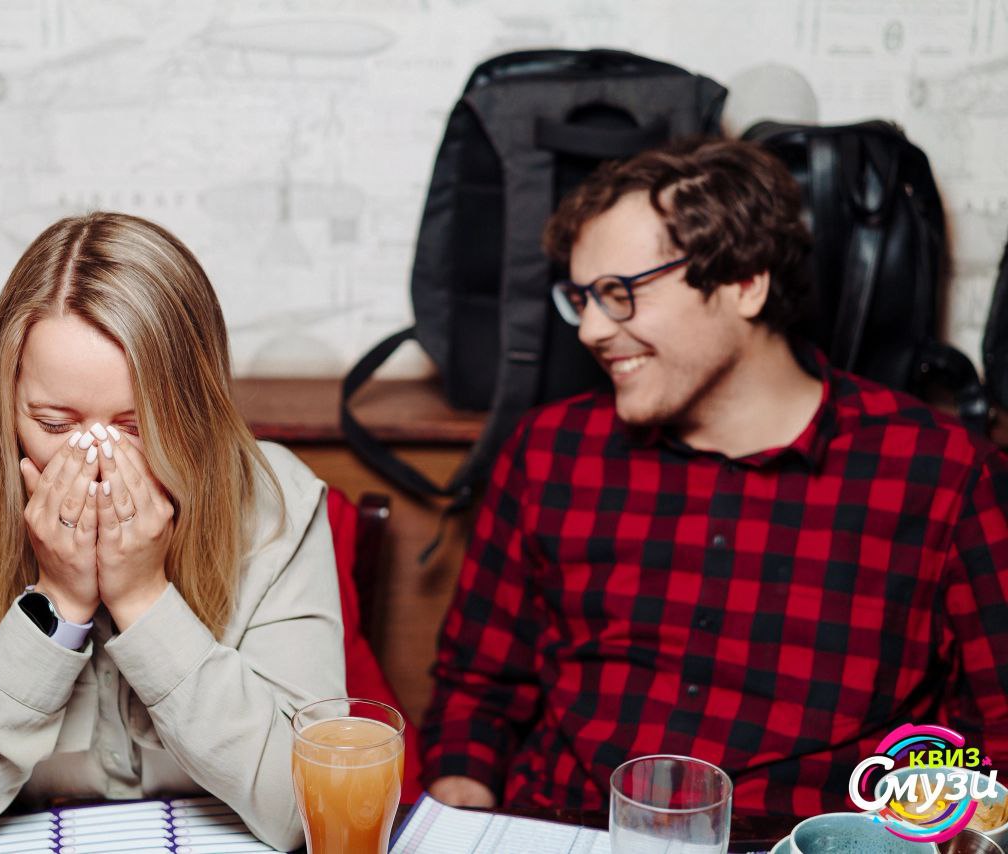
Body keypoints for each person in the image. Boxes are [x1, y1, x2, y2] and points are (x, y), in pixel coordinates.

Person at [421, 138, 1008, 816]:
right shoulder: (550, 452)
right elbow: (477, 690)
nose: (589, 329)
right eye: (580, 297)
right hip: (566, 828)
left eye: (618, 293)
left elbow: (994, 741)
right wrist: (459, 808)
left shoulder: (941, 476)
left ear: (745, 282)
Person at [0, 212, 345, 852]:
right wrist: (58, 604)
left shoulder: (277, 503)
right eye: (55, 424)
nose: (95, 463)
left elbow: (305, 807)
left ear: (194, 411)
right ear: (9, 404)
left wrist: (144, 597)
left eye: (137, 425)